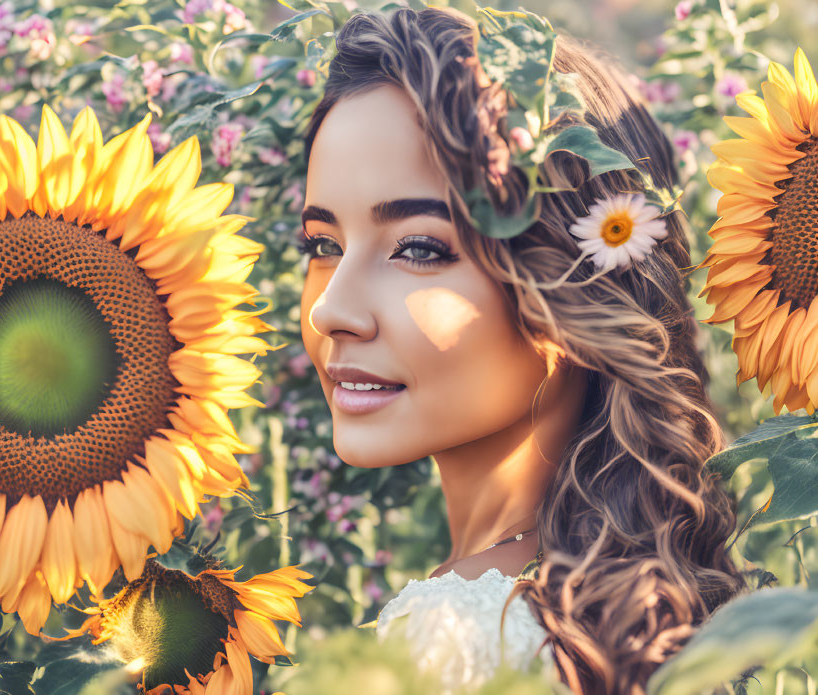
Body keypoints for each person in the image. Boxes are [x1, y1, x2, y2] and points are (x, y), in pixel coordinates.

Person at [297, 6, 742, 694]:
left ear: (572, 285)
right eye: (323, 246)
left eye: (418, 247)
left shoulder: (453, 638)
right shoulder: (649, 613)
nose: (331, 308)